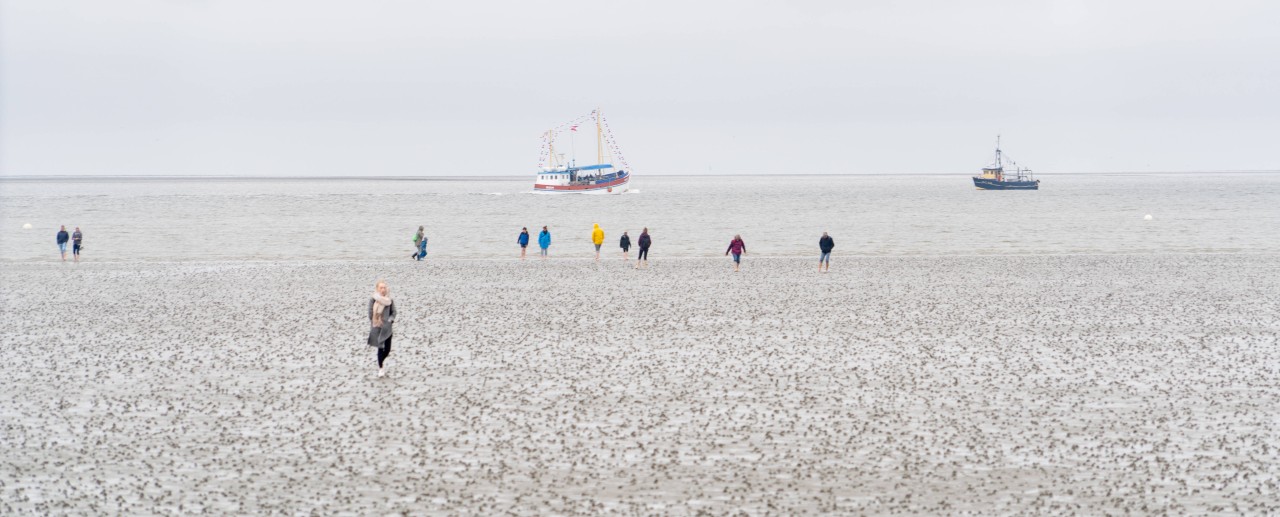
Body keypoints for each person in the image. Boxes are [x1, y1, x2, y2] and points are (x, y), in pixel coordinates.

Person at [367, 280, 397, 378]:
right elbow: (370, 313)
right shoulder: (373, 299)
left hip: (387, 328)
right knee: (380, 348)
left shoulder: (390, 300)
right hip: (377, 327)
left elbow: (394, 313)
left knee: (387, 350)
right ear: (377, 289)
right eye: (381, 288)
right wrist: (375, 321)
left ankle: (381, 362)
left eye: (384, 287)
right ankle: (380, 368)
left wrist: (390, 320)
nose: (383, 289)